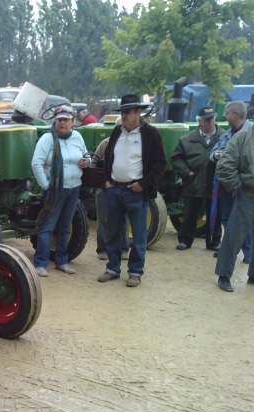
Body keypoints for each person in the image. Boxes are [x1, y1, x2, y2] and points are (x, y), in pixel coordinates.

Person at [98, 94, 166, 287]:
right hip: (114, 190)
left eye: (128, 112)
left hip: (136, 191)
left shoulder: (150, 134)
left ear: (138, 112)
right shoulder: (117, 132)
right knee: (112, 232)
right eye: (123, 112)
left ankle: (135, 272)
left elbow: (160, 164)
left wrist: (143, 185)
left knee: (139, 236)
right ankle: (112, 268)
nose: (125, 115)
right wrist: (106, 181)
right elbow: (107, 157)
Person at [31, 105, 88, 277]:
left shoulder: (77, 137)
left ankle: (62, 261)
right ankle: (40, 263)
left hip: (74, 187)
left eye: (66, 120)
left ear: (73, 122)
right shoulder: (47, 139)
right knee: (48, 226)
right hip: (55, 190)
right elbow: (36, 163)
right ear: (55, 122)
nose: (63, 123)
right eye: (60, 120)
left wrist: (87, 161)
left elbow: (86, 155)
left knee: (65, 226)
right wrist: (46, 185)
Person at [172, 106, 223, 251]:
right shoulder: (187, 139)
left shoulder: (225, 137)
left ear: (215, 119)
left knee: (215, 215)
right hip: (193, 182)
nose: (209, 123)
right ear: (199, 121)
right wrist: (187, 173)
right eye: (205, 120)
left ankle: (213, 242)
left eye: (211, 119)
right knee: (189, 214)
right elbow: (177, 158)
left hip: (215, 183)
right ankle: (185, 241)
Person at [209, 101, 253, 262]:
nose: (225, 116)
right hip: (226, 185)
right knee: (226, 218)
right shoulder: (227, 134)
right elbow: (213, 153)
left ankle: (248, 254)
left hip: (245, 187)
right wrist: (217, 155)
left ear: (235, 114)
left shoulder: (250, 134)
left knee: (246, 221)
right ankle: (229, 250)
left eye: (227, 113)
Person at [214, 123, 254, 292]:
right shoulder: (243, 138)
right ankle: (224, 275)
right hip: (247, 193)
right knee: (234, 235)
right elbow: (224, 166)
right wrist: (237, 187)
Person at [91, 136, 129, 261]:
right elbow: (93, 163)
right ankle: (102, 249)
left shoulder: (133, 143)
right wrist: (101, 182)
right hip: (105, 187)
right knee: (103, 219)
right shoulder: (105, 144)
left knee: (123, 219)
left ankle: (123, 249)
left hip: (124, 187)